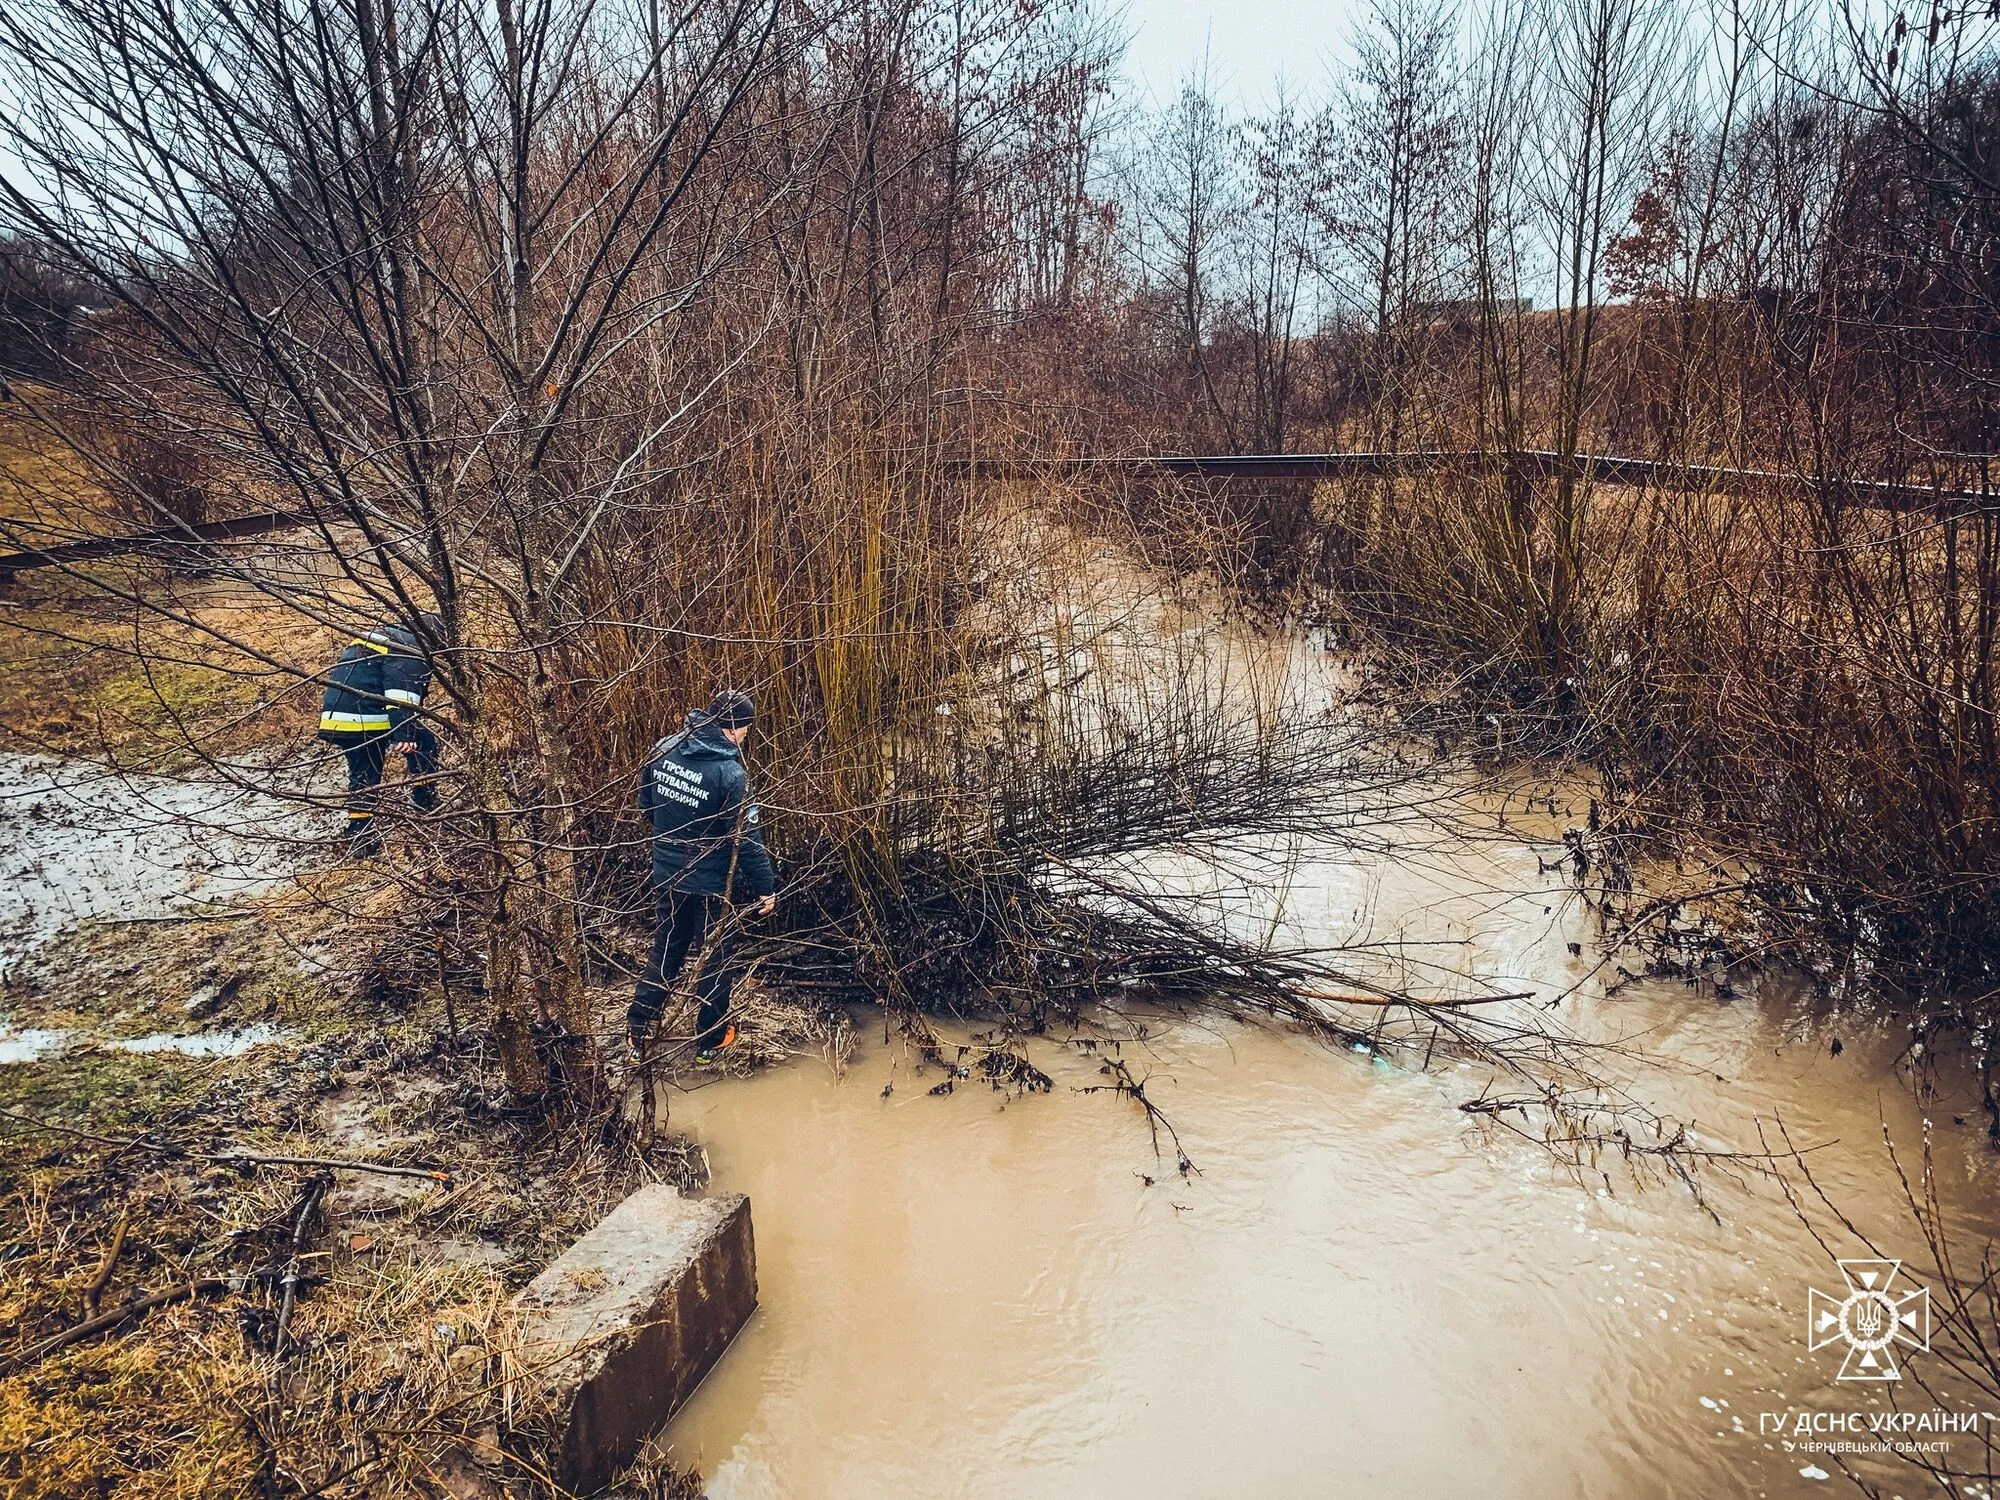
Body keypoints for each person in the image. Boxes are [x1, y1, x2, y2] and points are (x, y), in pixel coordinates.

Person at [629, 688, 777, 1065]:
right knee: (714, 958)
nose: (746, 735)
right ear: (732, 728)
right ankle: (711, 1040)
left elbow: (646, 803)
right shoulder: (731, 774)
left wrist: (672, 845)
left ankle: (639, 1027)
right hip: (710, 884)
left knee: (668, 945)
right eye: (745, 729)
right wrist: (766, 888)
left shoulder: (665, 746)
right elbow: (747, 839)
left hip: (666, 871)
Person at [317, 614, 442, 856]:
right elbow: (401, 694)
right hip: (366, 716)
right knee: (424, 745)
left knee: (363, 776)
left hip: (339, 716)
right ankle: (425, 803)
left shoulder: (385, 635)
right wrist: (403, 734)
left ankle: (359, 836)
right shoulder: (410, 647)